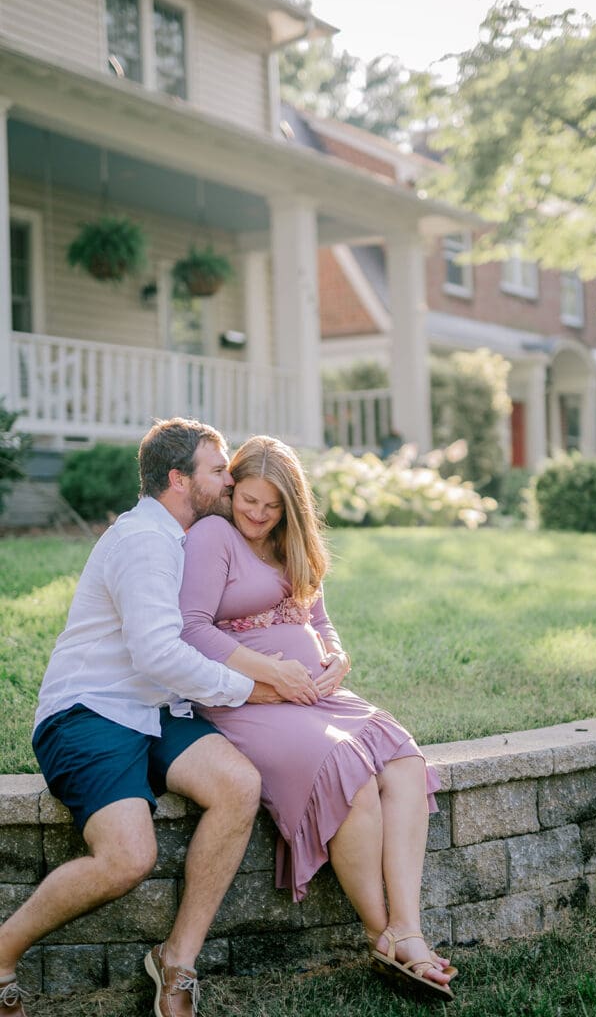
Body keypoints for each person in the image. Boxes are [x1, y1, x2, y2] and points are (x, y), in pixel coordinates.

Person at [0, 418, 316, 1017]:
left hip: (159, 709)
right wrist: (251, 689)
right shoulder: (143, 542)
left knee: (238, 784)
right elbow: (158, 653)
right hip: (91, 711)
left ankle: (177, 960)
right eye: (218, 470)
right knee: (127, 858)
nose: (230, 481)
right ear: (179, 479)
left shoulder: (185, 534)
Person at [179, 435, 457, 1003]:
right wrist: (274, 673)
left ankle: (408, 927)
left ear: (291, 506)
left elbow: (319, 617)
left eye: (270, 505)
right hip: (248, 699)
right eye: (247, 499)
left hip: (313, 695)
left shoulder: (292, 544)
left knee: (402, 757)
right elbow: (193, 629)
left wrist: (336, 658)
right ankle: (382, 937)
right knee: (344, 769)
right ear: (233, 491)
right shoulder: (214, 536)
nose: (256, 514)